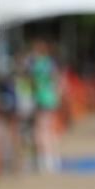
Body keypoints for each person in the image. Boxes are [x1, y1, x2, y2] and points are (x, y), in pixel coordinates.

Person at [29, 38, 63, 172]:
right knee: (50, 129)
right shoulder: (50, 63)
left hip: (42, 99)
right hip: (51, 99)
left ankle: (44, 159)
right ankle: (54, 158)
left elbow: (34, 84)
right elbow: (56, 81)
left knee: (40, 130)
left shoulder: (36, 65)